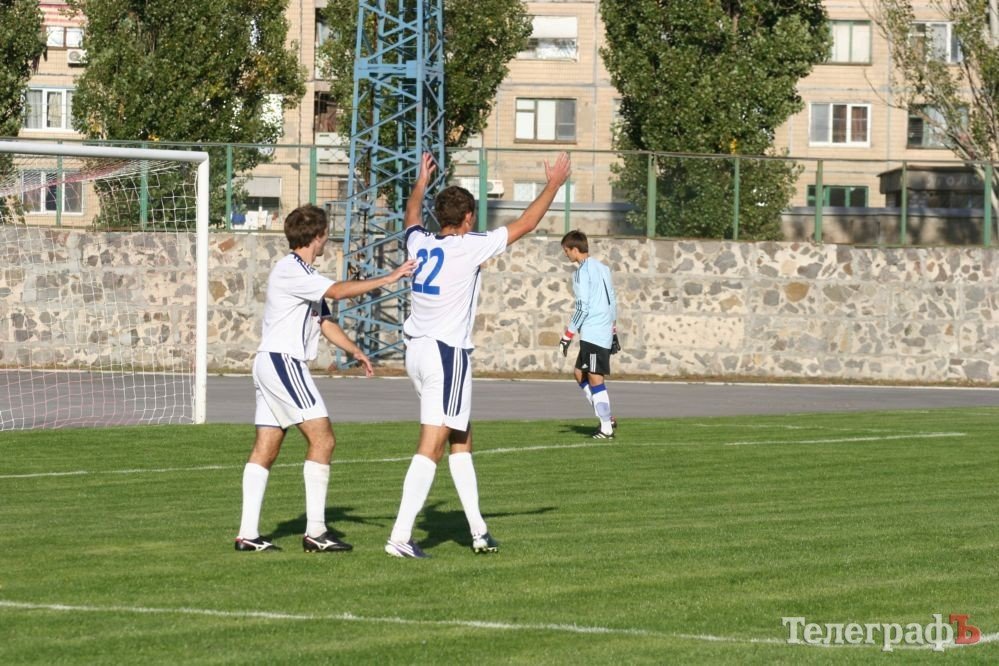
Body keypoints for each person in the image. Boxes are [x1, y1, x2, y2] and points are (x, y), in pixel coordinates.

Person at [384, 151, 572, 558]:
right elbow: (527, 223)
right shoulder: (469, 246)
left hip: (416, 351)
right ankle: (400, 536)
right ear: (468, 218)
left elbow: (411, 212)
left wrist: (420, 181)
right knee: (432, 442)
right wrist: (554, 184)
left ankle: (479, 531)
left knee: (461, 437)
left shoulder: (420, 240)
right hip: (446, 354)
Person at [235, 204, 417, 552]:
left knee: (267, 447)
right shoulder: (292, 269)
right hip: (282, 362)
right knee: (324, 439)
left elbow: (325, 321)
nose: (326, 240)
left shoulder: (303, 272)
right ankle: (316, 533)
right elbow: (336, 291)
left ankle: (247, 534)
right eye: (325, 235)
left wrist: (354, 351)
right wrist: (389, 277)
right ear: (317, 237)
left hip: (274, 363)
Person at [558, 229, 618, 440]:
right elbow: (612, 299)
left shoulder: (582, 272)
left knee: (594, 378)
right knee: (579, 373)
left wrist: (567, 335)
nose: (566, 254)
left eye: (566, 250)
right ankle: (606, 417)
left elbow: (582, 308)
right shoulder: (603, 268)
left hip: (594, 332)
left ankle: (606, 427)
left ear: (575, 249)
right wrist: (613, 329)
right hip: (602, 329)